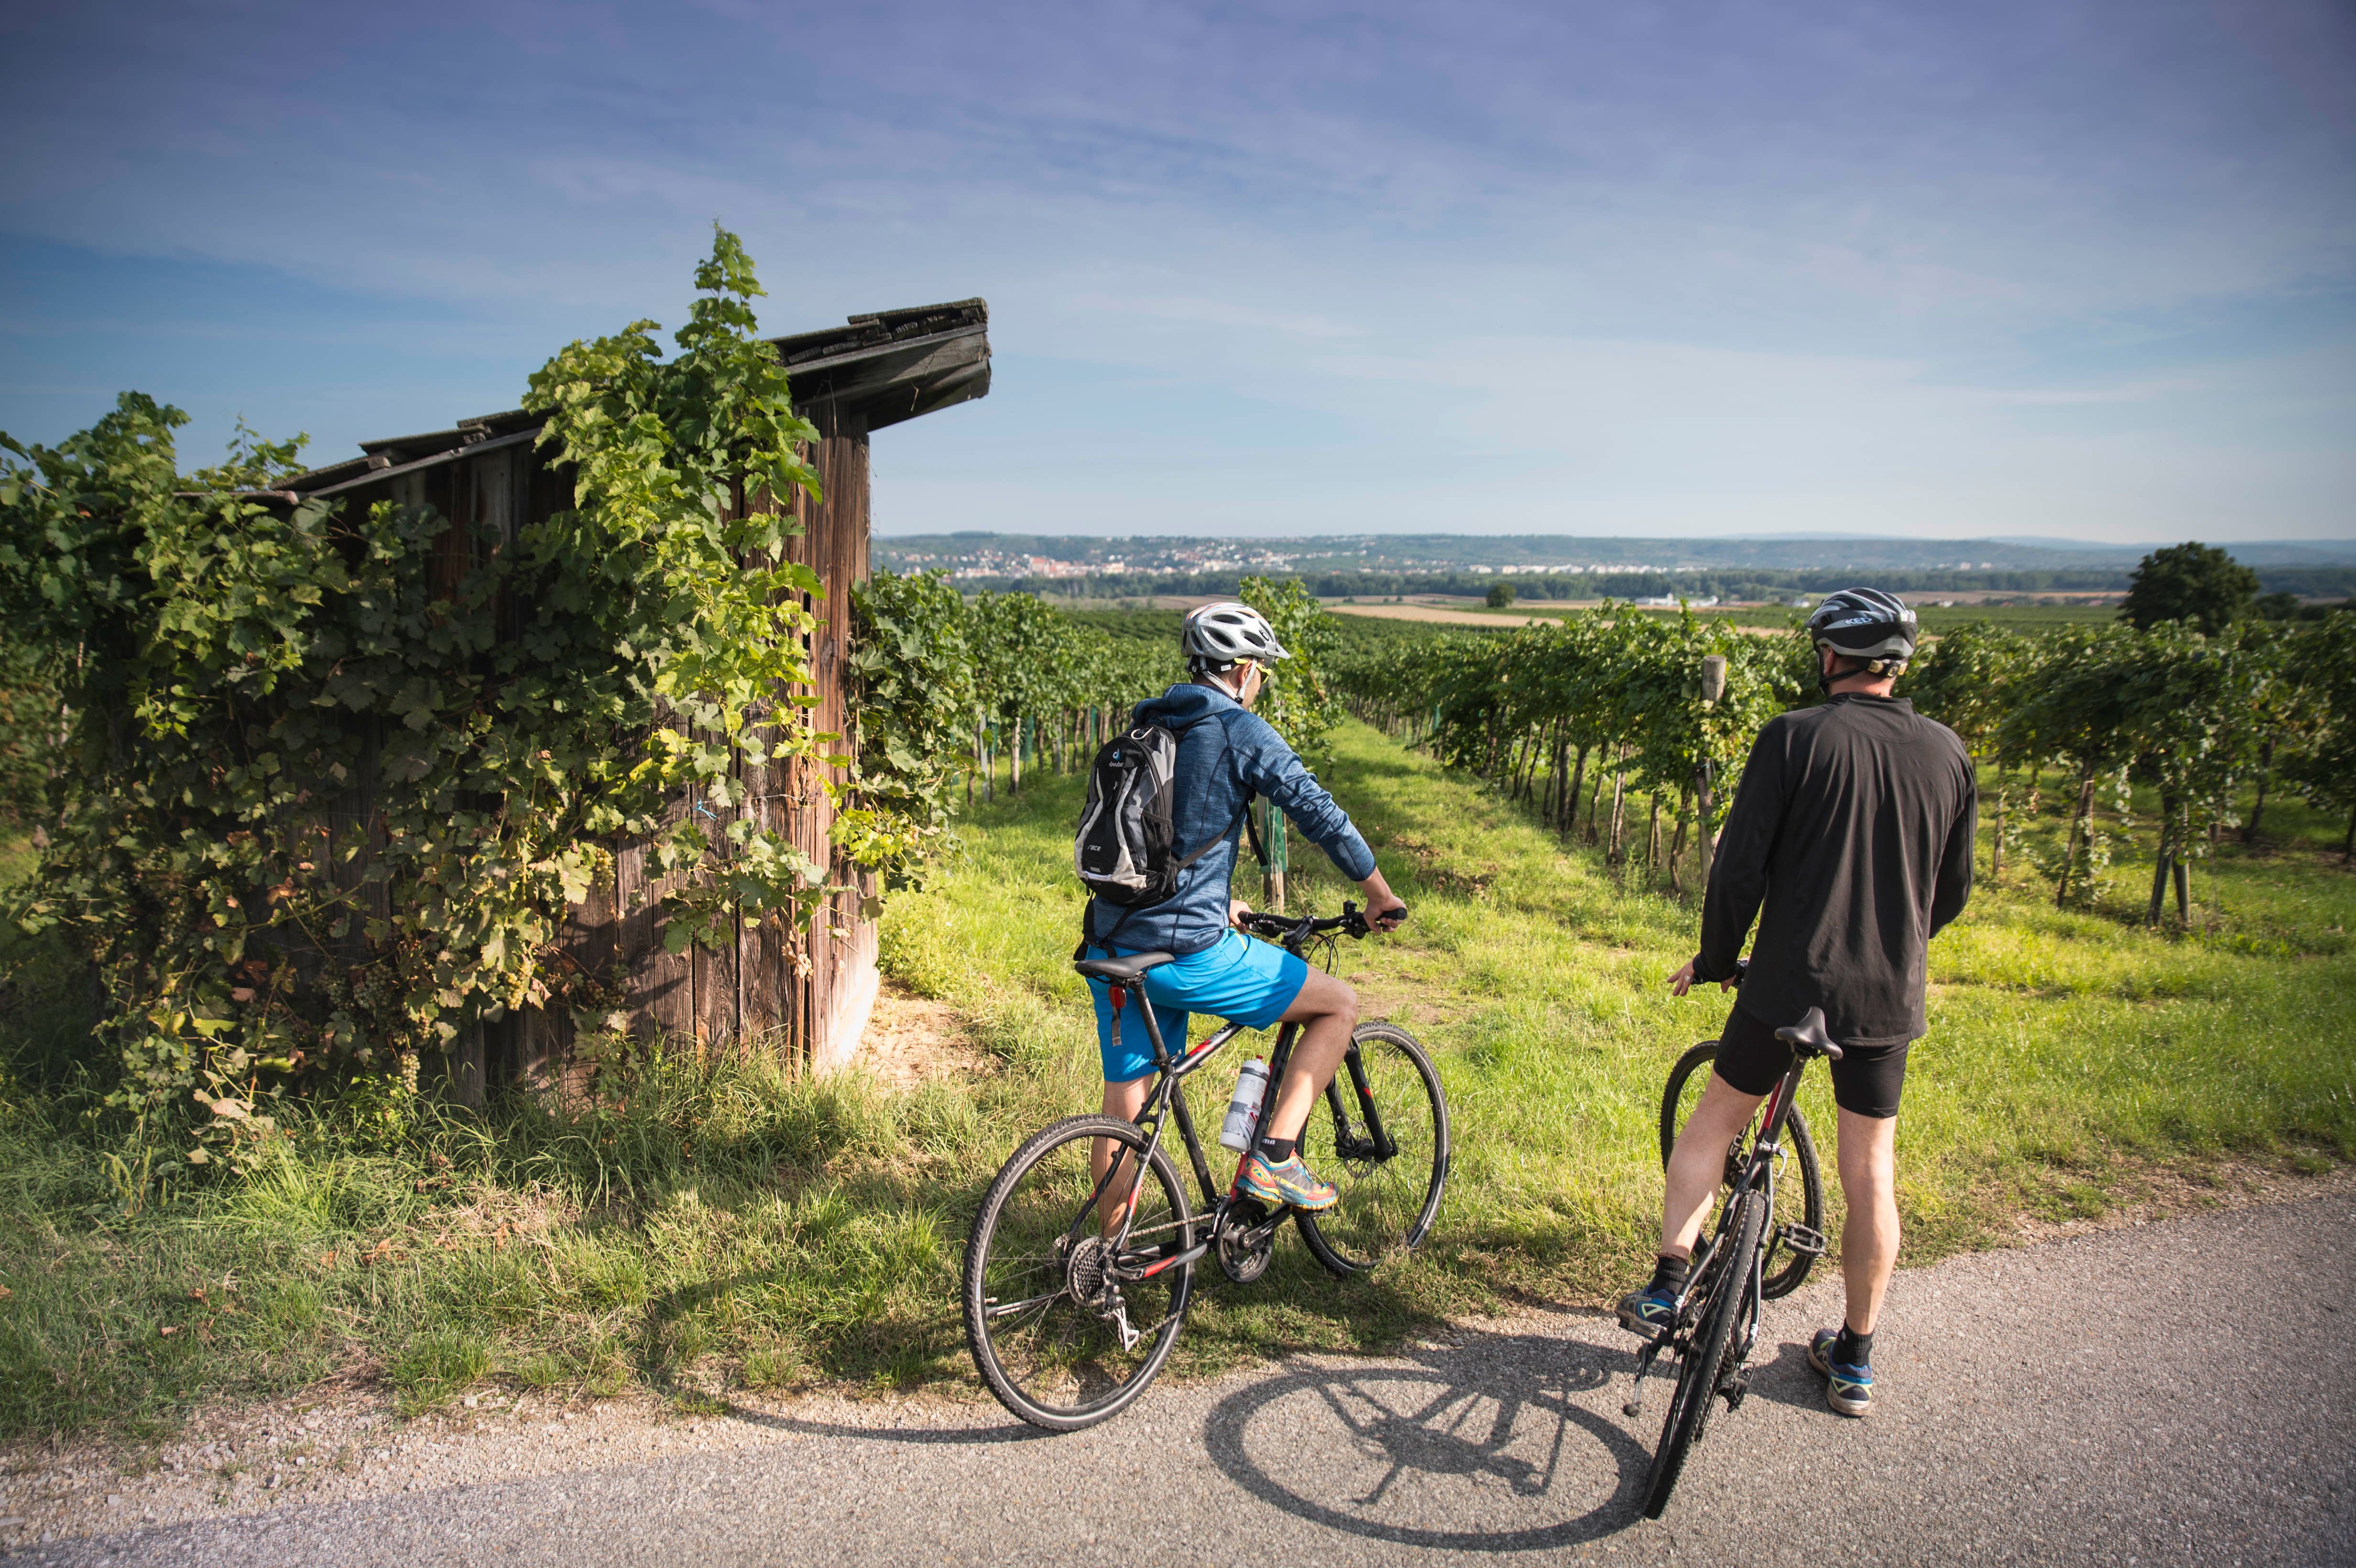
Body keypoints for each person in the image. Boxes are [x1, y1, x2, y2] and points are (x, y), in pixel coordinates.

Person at [1617, 587, 1975, 1418]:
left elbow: (1739, 868)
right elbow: (1950, 891)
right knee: (1870, 1171)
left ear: (1832, 656)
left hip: (1786, 985)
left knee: (1714, 1123)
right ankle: (1854, 1361)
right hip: (1886, 997)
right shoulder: (1949, 752)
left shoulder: (1795, 737)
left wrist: (1717, 959)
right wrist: (1893, 944)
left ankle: (1668, 1286)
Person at [1081, 601, 1407, 1215]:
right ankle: (1276, 1157)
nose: (1260, 681)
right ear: (1241, 670)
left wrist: (1210, 897)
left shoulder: (1150, 725)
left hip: (1113, 940)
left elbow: (1161, 838)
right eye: (1261, 670)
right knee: (1338, 1004)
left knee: (1125, 1107)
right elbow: (1319, 814)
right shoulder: (1237, 729)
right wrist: (1377, 894)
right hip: (1186, 953)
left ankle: (1107, 1256)